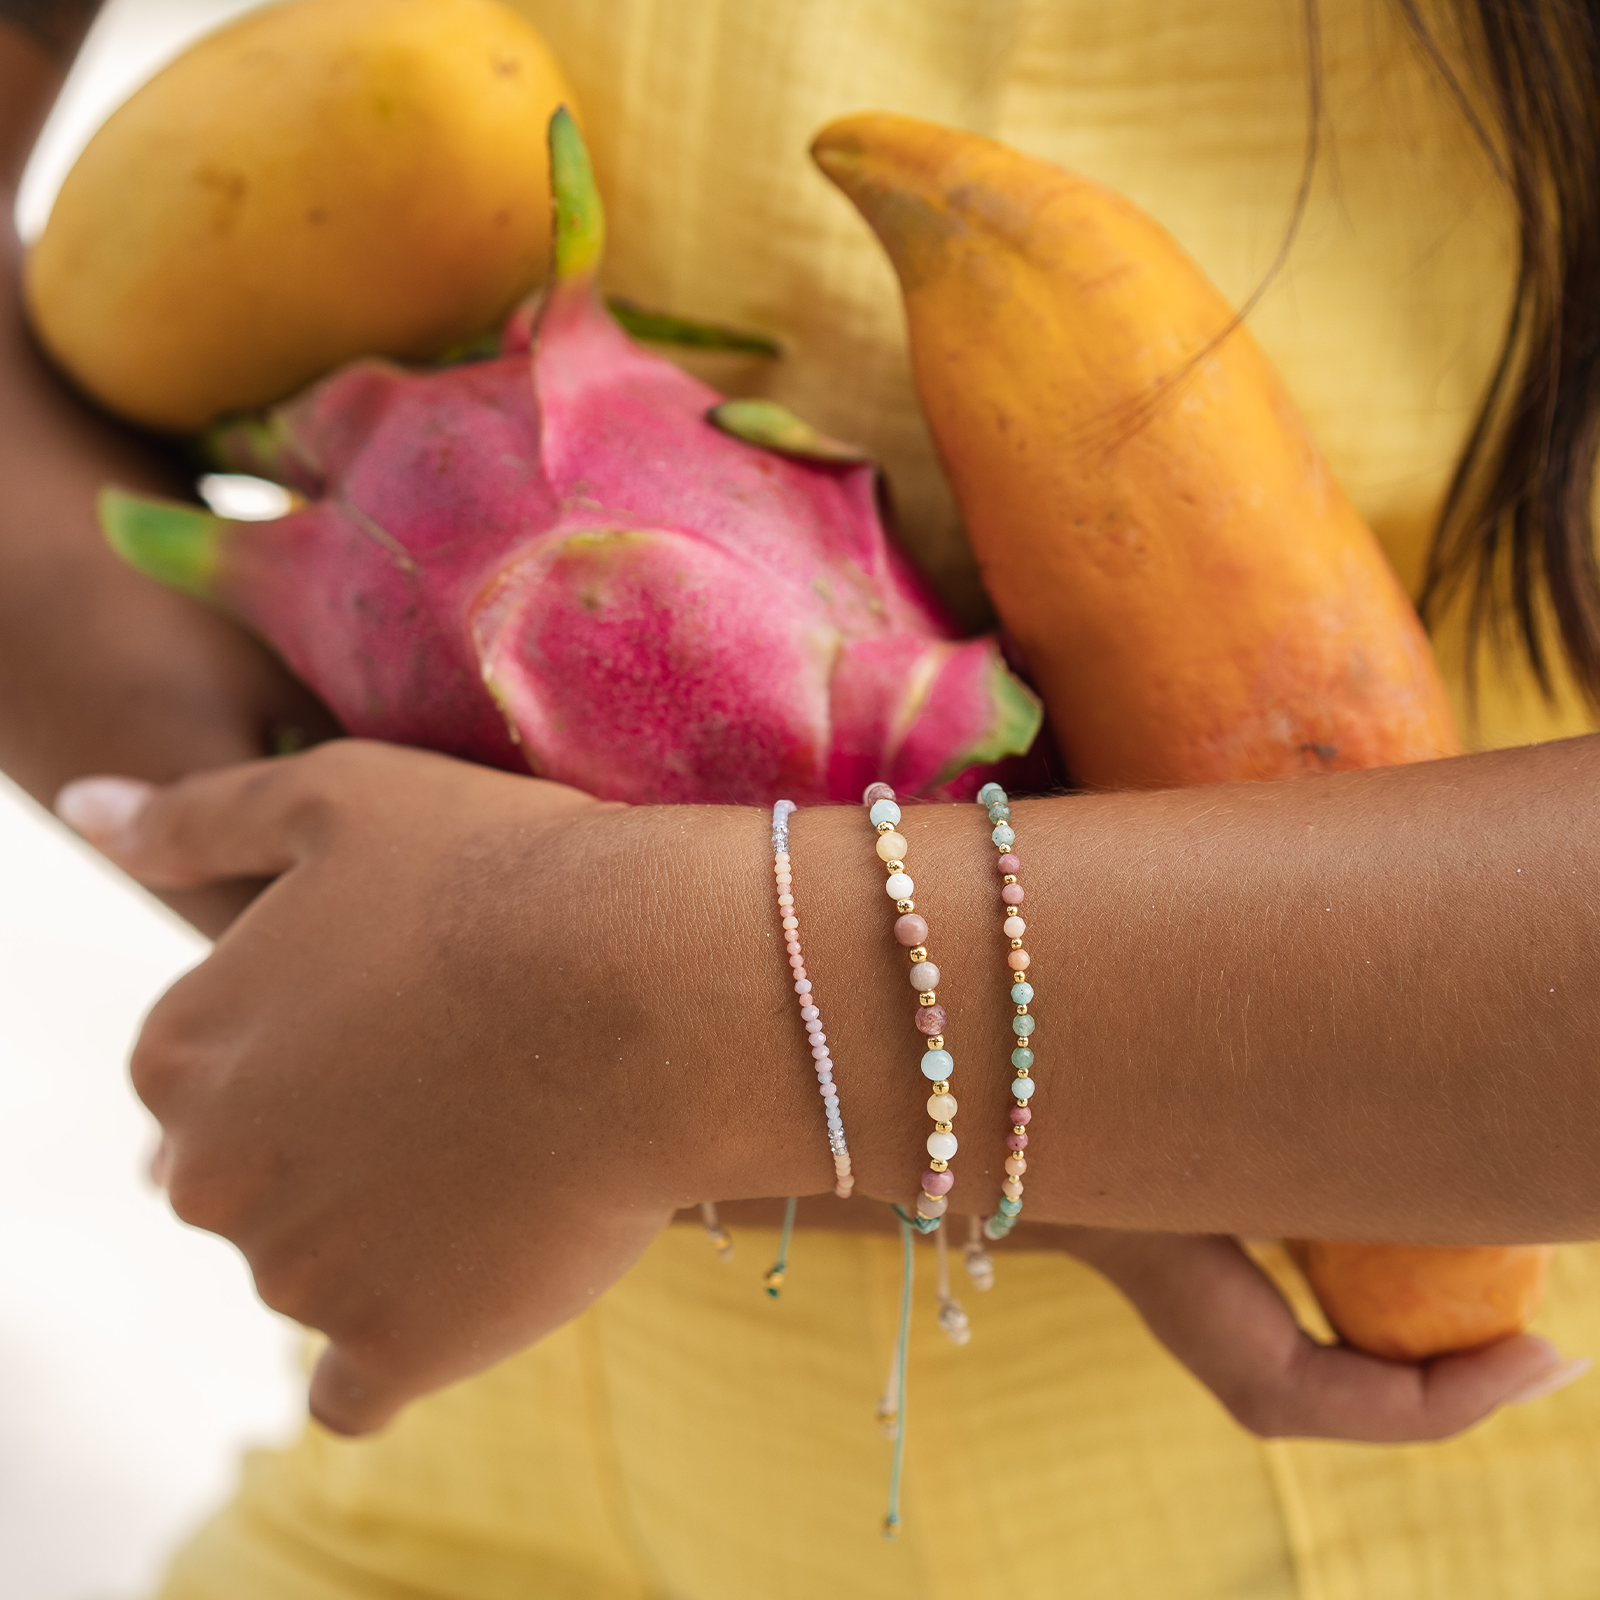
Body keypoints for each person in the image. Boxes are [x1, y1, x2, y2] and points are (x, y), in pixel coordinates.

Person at [4, 0, 1600, 1594]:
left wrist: (677, 1015)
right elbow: (475, 1014)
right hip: (450, 1518)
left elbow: (596, 1011)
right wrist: (422, 996)